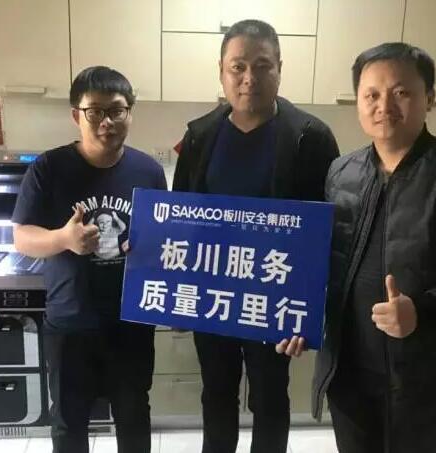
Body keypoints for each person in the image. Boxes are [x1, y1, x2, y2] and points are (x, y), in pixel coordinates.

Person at [279, 42, 436, 453]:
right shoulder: (341, 171)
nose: (384, 106)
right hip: (351, 380)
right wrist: (298, 317)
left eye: (401, 92)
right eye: (371, 94)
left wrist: (423, 309)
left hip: (426, 385)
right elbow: (325, 265)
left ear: (429, 98)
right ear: (358, 101)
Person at [173, 19, 340, 453]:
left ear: (280, 68)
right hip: (212, 295)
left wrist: (310, 311)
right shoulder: (200, 136)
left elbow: (327, 234)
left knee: (269, 397)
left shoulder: (311, 138)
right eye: (238, 66)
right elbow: (180, 220)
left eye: (262, 65)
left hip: (275, 298)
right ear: (222, 71)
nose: (249, 78)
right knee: (216, 393)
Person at [11, 66, 167, 453]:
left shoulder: (148, 171)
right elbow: (22, 238)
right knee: (69, 423)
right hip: (71, 323)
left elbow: (161, 239)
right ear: (76, 115)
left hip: (131, 322)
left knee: (134, 417)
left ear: (129, 113)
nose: (106, 122)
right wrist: (63, 239)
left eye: (117, 110)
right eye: (95, 111)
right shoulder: (49, 168)